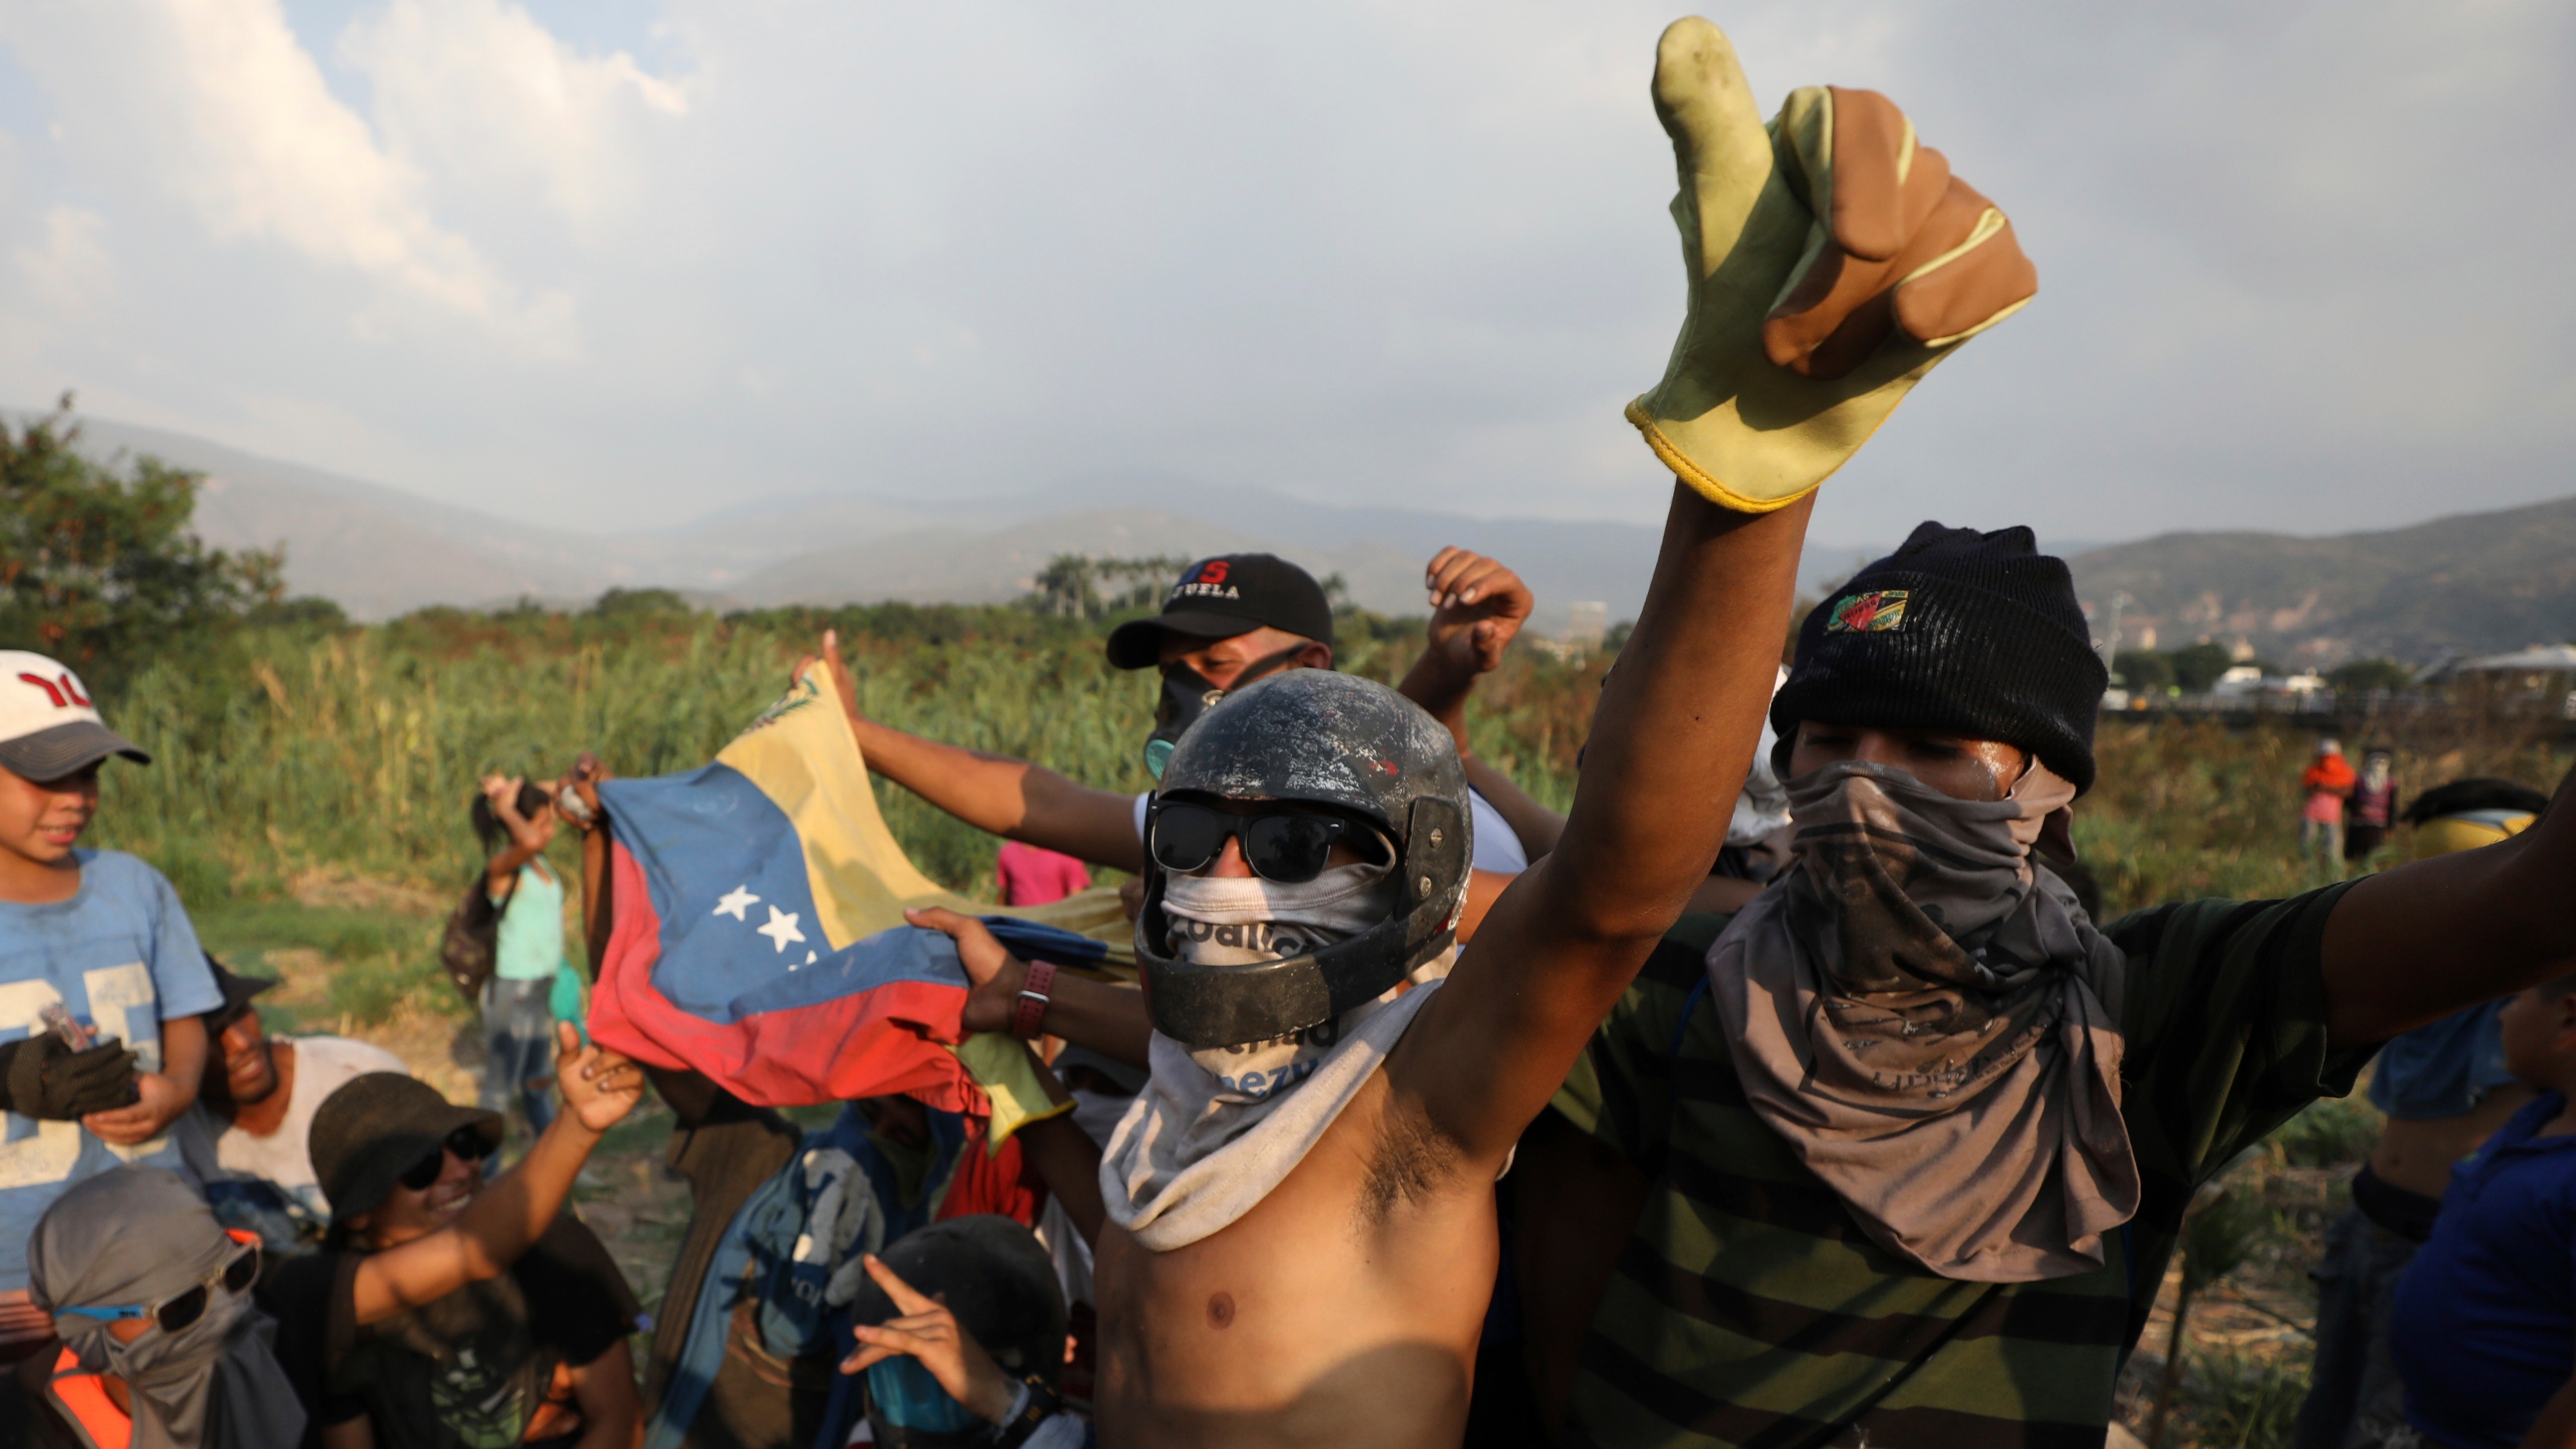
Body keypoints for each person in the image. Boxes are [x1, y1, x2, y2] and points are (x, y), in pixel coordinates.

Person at [821, 547, 1545, 886]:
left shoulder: (1307, 839)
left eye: (1217, 666)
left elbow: (1413, 748)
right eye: (1173, 671)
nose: (1186, 694)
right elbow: (1039, 801)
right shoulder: (1215, 831)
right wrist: (853, 733)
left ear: (1310, 665)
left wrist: (1451, 663)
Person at [2292, 779, 2552, 1449]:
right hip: (2371, 1212)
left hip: (2447, 1231)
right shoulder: (2412, 964)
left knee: (2390, 1429)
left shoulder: (2542, 987)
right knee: (2327, 1415)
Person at [258, 1030, 646, 1449]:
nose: (460, 1171)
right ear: (359, 1214)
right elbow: (471, 1246)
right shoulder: (325, 1304)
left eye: (464, 1144)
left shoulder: (555, 1248)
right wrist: (577, 1123)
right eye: (422, 1166)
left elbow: (620, 1426)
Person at [0, 649, 220, 1359]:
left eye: (88, 771)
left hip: (158, 1254)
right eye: (45, 774)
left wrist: (178, 1090)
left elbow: (185, 1013)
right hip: (17, 1267)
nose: (75, 796)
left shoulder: (137, 887)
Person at [2386, 968, 2576, 1449]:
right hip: (2425, 1423)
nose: (2503, 1014)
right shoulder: (2540, 1118)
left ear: (2568, 1018)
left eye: (2515, 998)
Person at [17, 1167, 307, 1449]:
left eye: (236, 1273)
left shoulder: (280, 1335)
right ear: (85, 1330)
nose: (226, 1309)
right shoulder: (31, 1425)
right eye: (180, 1307)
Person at [178, 958, 409, 1256]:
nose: (241, 1042)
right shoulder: (174, 1134)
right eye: (211, 1035)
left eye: (240, 1013)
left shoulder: (363, 1079)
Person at [837, 1217, 1083, 1449]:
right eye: (909, 1385)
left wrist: (1009, 1406)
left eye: (954, 1397)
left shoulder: (1090, 1436)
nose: (927, 1405)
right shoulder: (863, 1442)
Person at [474, 775, 570, 1134]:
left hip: (540, 986)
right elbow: (528, 838)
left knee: (538, 1085)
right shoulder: (501, 868)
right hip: (514, 990)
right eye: (543, 824)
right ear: (516, 824)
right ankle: (484, 1174)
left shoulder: (538, 863)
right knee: (498, 1092)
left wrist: (510, 788)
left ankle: (557, 1169)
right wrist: (504, 806)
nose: (550, 831)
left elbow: (559, 787)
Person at [2303, 737, 2358, 877]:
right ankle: (2311, 876)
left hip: (2333, 818)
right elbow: (2310, 788)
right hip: (2311, 815)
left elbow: (2348, 791)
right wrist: (2331, 788)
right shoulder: (2313, 771)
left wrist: (2324, 787)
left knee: (2333, 850)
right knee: (2309, 849)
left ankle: (2336, 879)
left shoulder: (2346, 772)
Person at [2344, 747, 2398, 867]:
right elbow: (2349, 800)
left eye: (2382, 763)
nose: (2379, 767)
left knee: (2374, 858)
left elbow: (2393, 806)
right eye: (2376, 763)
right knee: (2355, 858)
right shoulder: (2359, 781)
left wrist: (2391, 826)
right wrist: (2359, 808)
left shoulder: (2390, 784)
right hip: (2358, 825)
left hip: (2378, 826)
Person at [996, 842, 1092, 907]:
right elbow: (1004, 897)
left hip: (1055, 929)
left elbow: (1077, 902)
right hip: (1019, 929)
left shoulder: (1068, 853)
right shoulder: (1008, 852)